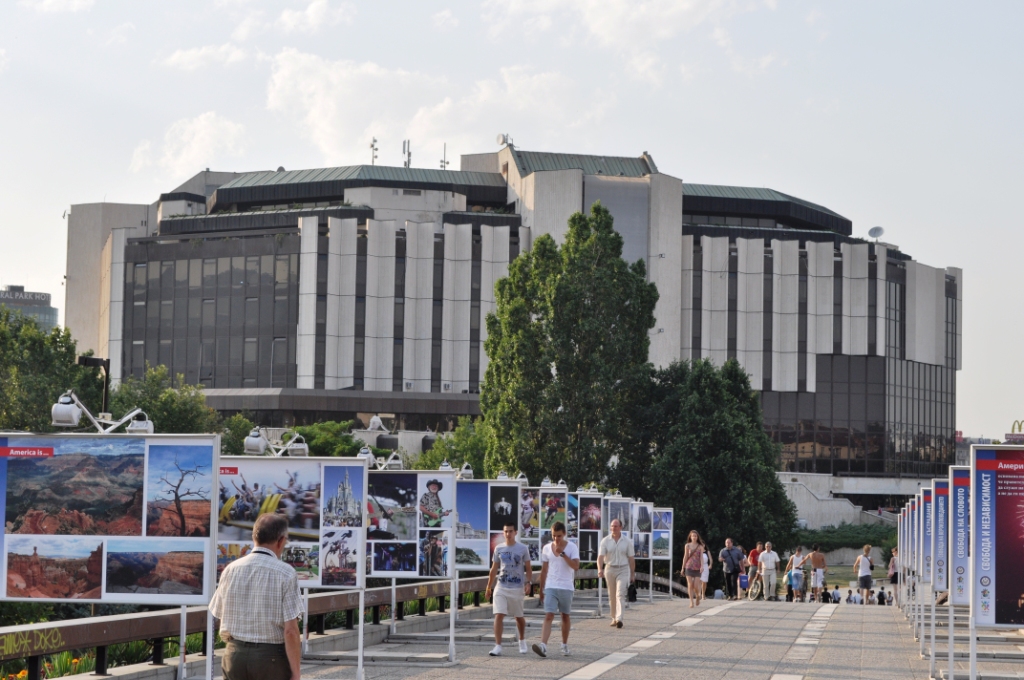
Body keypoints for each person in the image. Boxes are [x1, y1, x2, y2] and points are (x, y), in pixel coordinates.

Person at [210, 514, 303, 680]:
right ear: (280, 541)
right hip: (271, 659)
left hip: (234, 655)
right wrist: (296, 673)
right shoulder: (286, 573)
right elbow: (290, 631)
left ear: (254, 537)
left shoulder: (231, 569)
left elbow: (217, 612)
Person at [533, 521, 580, 658]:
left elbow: (576, 566)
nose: (556, 538)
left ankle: (564, 644)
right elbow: (544, 570)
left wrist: (563, 554)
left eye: (559, 536)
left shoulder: (572, 547)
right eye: (554, 535)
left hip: (566, 586)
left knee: (565, 616)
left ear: (564, 534)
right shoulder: (547, 548)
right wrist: (541, 588)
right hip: (551, 585)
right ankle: (543, 645)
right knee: (549, 615)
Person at [486, 523, 533, 656]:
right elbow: (494, 568)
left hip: (517, 587)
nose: (508, 534)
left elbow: (528, 568)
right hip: (501, 586)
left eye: (511, 531)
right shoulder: (499, 548)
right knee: (499, 614)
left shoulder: (523, 548)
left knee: (518, 617)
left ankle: (522, 640)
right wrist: (489, 586)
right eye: (506, 531)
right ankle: (498, 646)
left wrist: (528, 582)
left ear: (515, 532)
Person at [597, 518, 635, 628]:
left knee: (620, 594)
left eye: (616, 526)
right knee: (612, 595)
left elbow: (631, 559)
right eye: (612, 526)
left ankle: (619, 618)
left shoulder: (627, 541)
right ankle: (613, 617)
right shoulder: (605, 541)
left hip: (623, 569)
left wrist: (632, 574)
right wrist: (600, 569)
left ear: (621, 527)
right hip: (610, 569)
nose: (613, 528)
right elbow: (600, 557)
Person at [681, 530, 706, 608]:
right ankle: (691, 601)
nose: (694, 537)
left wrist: (702, 566)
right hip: (689, 566)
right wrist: (682, 567)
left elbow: (701, 557)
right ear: (690, 537)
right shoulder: (687, 546)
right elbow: (685, 556)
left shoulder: (700, 546)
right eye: (693, 536)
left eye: (695, 536)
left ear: (697, 537)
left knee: (695, 585)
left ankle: (698, 595)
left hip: (697, 567)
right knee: (690, 584)